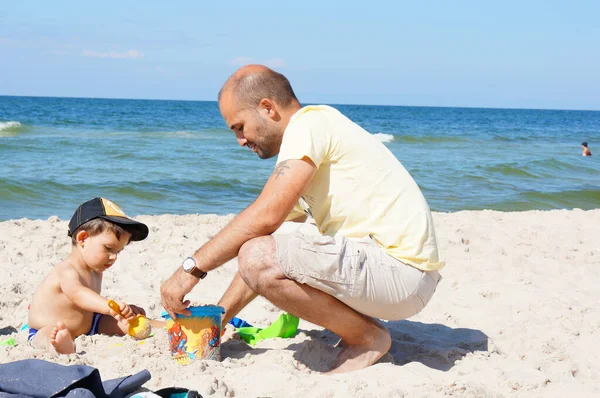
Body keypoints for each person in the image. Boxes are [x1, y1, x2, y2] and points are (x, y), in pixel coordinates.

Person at [160, 65, 445, 373]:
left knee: (258, 254)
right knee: (260, 249)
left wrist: (190, 269)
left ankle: (367, 337)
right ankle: (361, 332)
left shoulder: (309, 124)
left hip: (399, 272)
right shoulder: (310, 148)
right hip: (394, 277)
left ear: (267, 108)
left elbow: (264, 219)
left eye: (239, 127)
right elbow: (262, 246)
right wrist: (216, 322)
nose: (240, 140)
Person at [27, 197, 149, 354]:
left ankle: (162, 326)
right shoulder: (66, 270)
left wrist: (124, 313)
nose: (114, 257)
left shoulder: (95, 270)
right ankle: (57, 345)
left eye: (118, 251)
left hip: (91, 324)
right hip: (45, 327)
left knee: (127, 322)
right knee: (49, 333)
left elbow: (93, 306)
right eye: (109, 248)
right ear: (82, 238)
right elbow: (78, 294)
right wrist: (110, 307)